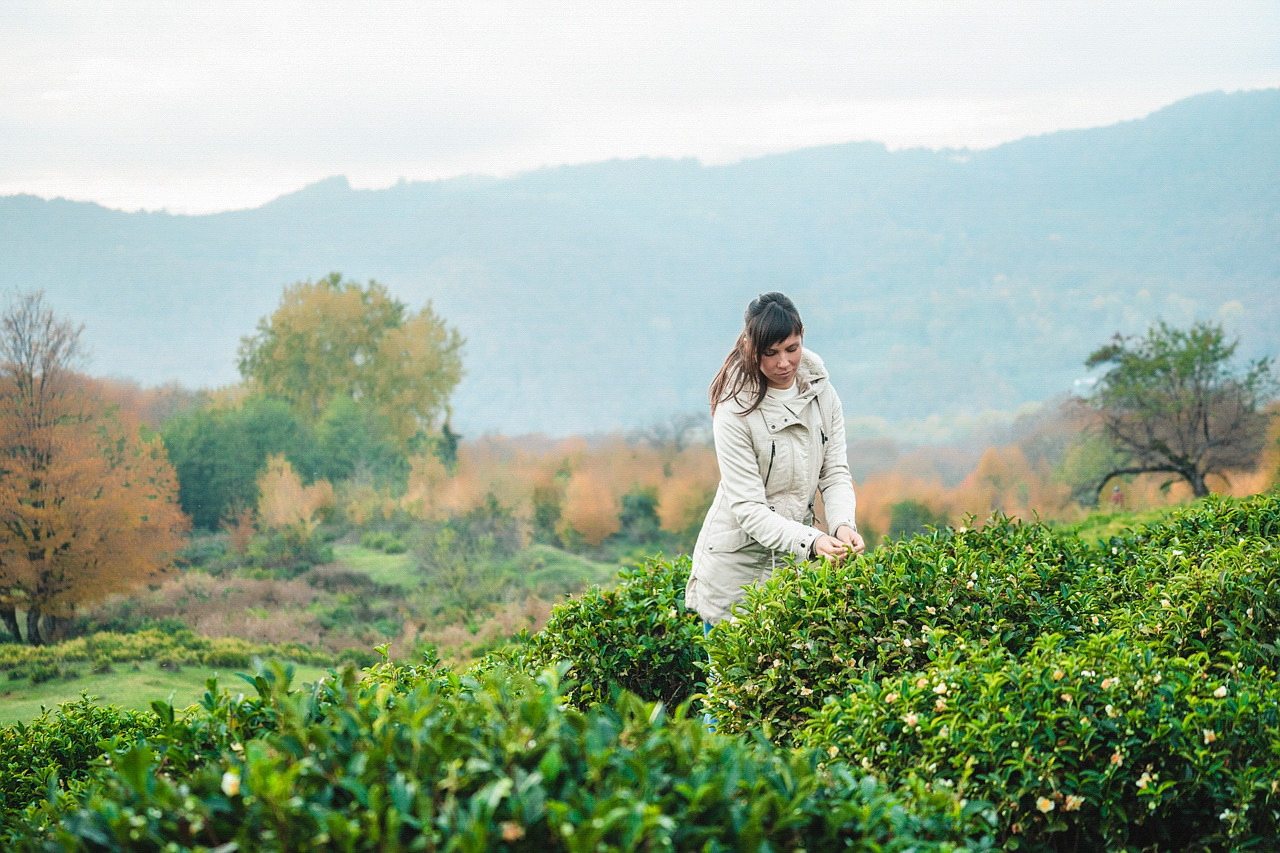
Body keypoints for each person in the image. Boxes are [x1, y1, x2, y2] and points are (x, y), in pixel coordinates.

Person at [685, 292, 865, 629]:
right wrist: (812, 541)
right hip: (735, 577)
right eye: (770, 354)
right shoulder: (734, 408)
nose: (783, 363)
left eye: (791, 349)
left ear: (802, 337)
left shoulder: (822, 393)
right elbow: (749, 509)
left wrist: (842, 525)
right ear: (752, 349)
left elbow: (835, 472)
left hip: (791, 570)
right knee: (730, 682)